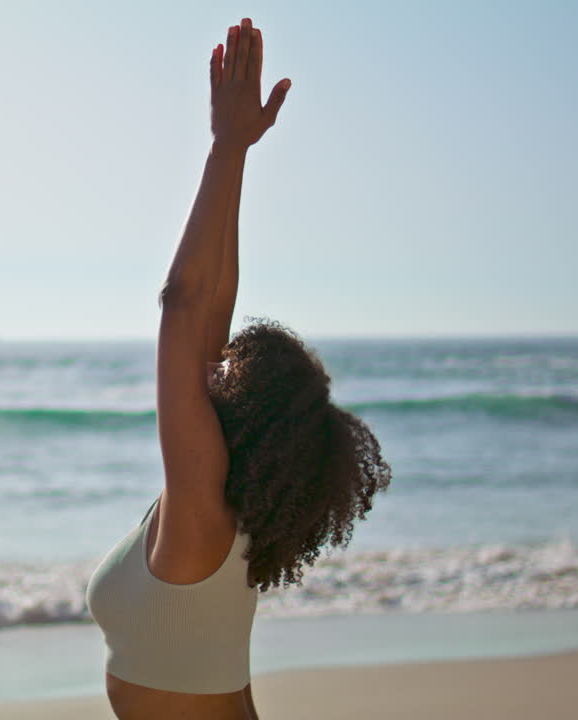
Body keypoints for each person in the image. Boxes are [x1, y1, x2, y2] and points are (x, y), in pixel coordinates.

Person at [85, 18, 392, 720]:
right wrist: (240, 153)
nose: (214, 360)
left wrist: (225, 148)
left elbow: (186, 303)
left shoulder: (202, 504)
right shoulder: (232, 508)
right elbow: (211, 306)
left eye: (229, 366)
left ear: (248, 409)